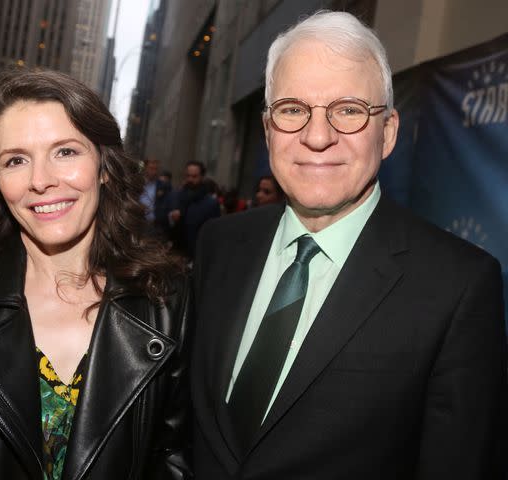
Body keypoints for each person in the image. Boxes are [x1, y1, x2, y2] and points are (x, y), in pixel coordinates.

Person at [191, 10, 506, 479]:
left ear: (389, 133)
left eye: (349, 110)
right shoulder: (220, 243)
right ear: (268, 130)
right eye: (293, 109)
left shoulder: (458, 286)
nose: (318, 137)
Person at [0, 69, 192, 480]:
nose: (41, 181)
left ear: (104, 166)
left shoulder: (167, 300)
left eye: (65, 152)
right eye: (16, 160)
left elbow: (177, 458)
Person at [168, 161, 220, 258]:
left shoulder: (210, 203)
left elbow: (214, 234)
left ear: (202, 177)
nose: (190, 179)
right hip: (175, 253)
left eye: (194, 176)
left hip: (196, 255)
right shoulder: (176, 196)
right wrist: (171, 218)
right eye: (188, 176)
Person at [139, 158, 173, 238]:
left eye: (156, 169)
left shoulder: (163, 186)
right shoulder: (137, 183)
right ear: (145, 169)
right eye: (151, 169)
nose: (154, 172)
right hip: (137, 221)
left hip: (153, 224)